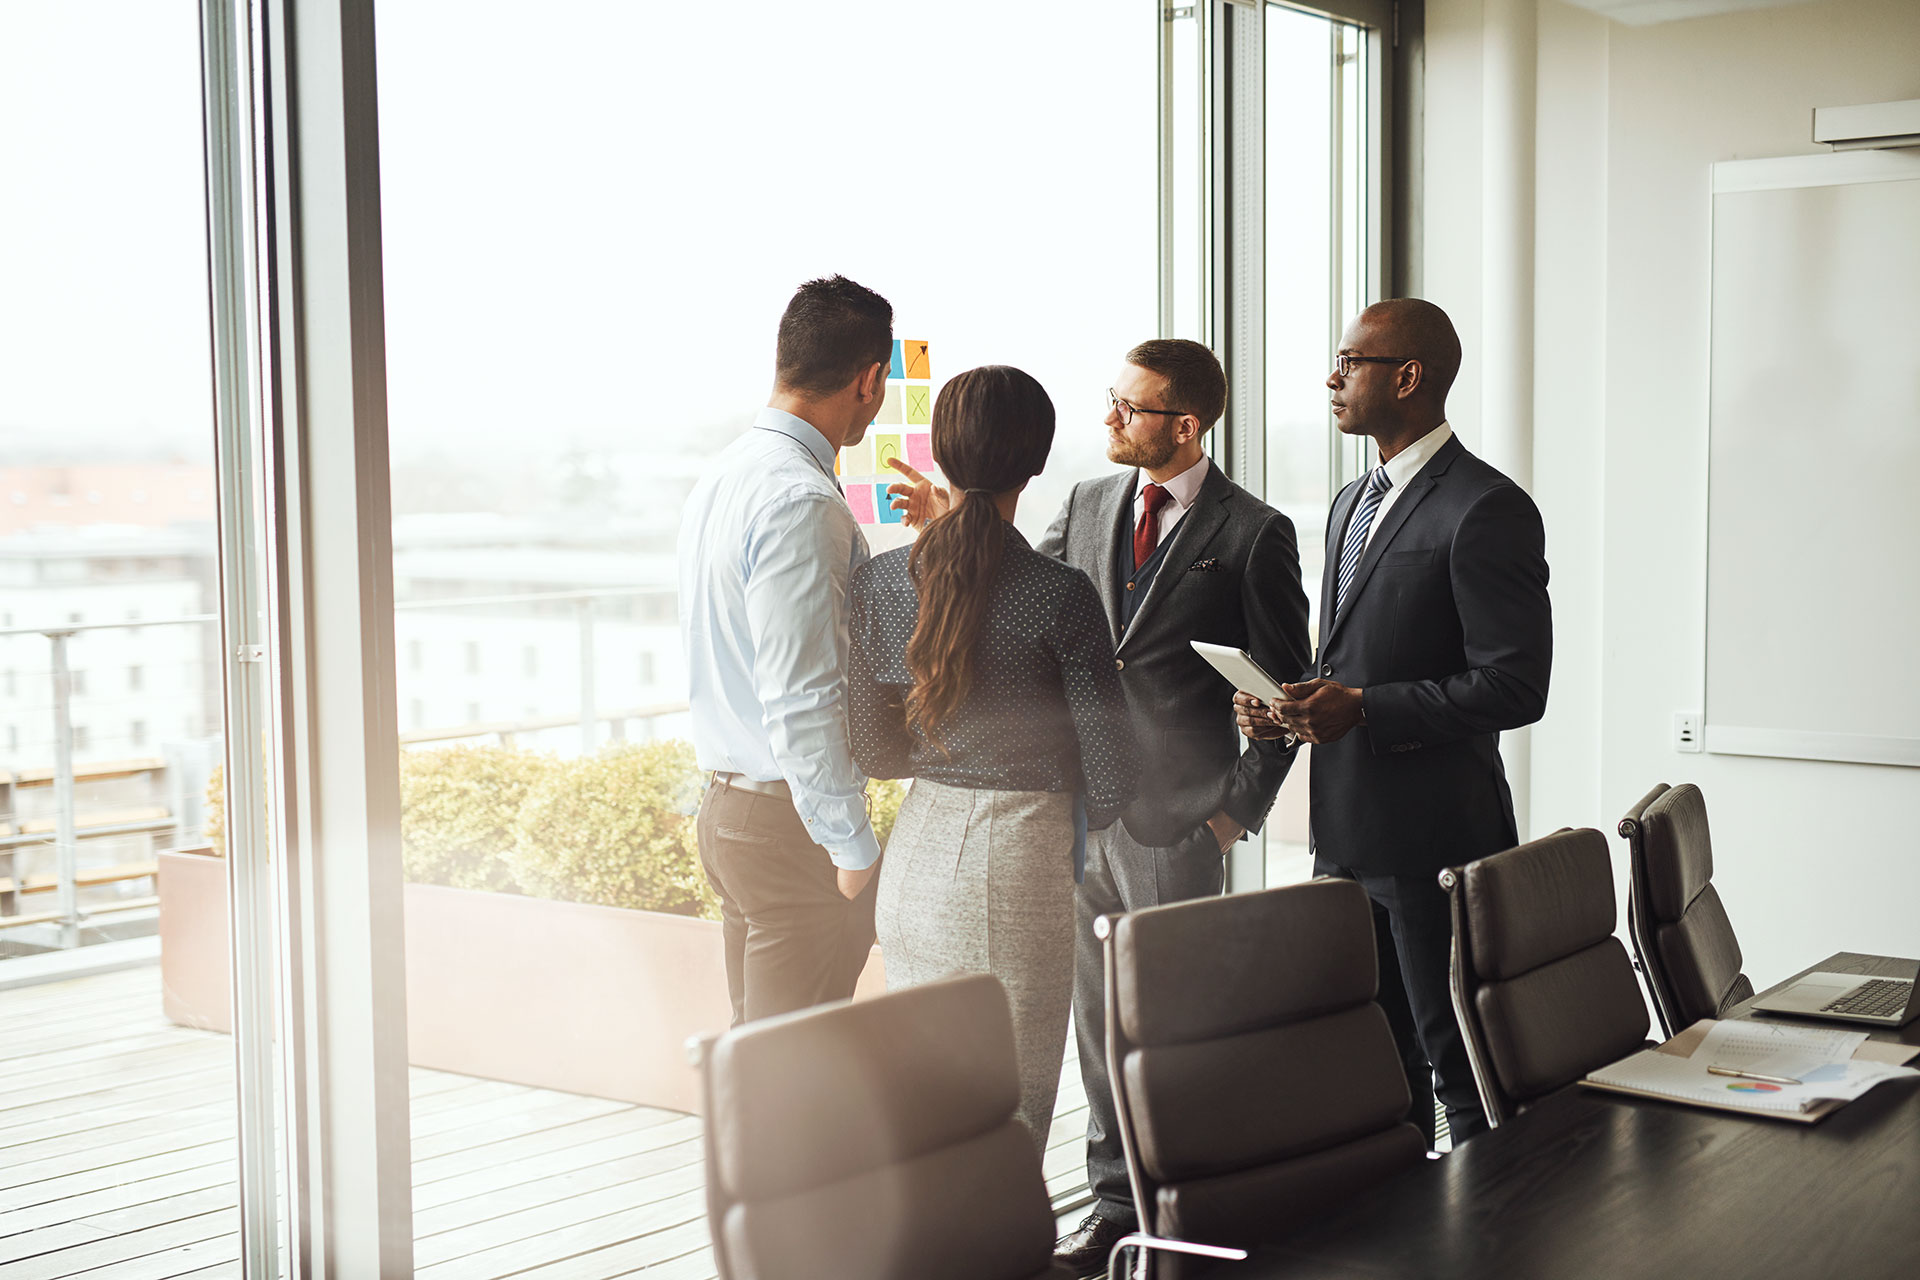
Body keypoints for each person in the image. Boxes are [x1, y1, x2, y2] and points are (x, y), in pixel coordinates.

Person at [885, 338, 1313, 1273]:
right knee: (1087, 1026)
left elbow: (1290, 688)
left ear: (1186, 426)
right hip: (1077, 825)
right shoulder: (1085, 504)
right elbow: (1006, 595)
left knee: (1171, 1030)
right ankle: (1114, 1210)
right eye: (1111, 400)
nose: (1110, 418)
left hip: (1177, 822)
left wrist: (1235, 813)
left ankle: (1187, 1215)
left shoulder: (1253, 533)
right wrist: (946, 521)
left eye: (1131, 406)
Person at [1235, 298, 1552, 1148]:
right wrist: (1287, 706)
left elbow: (1516, 687)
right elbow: (1351, 662)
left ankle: (1494, 1237)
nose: (1331, 378)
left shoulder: (1487, 507)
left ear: (1407, 377)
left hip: (1432, 842)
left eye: (1350, 362)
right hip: (1342, 834)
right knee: (1372, 1065)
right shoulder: (1348, 501)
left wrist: (1365, 709)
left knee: (1457, 1061)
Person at [848, 364, 1137, 1157]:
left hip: (915, 863)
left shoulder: (881, 580)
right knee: (1006, 1119)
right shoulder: (1060, 593)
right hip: (1015, 860)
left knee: (927, 1107)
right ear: (1036, 460)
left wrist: (947, 746)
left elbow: (874, 749)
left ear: (941, 454)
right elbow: (1113, 779)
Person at [678, 274, 892, 1027]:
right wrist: (852, 843)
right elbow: (801, 691)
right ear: (869, 380)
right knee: (792, 1075)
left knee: (761, 1063)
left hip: (731, 811)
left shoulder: (725, 475)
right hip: (789, 827)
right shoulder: (800, 498)